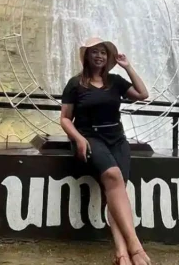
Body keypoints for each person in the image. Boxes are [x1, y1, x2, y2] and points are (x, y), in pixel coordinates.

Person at [60, 37, 152, 265]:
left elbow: (143, 94)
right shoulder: (75, 84)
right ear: (87, 57)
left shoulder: (116, 82)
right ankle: (136, 246)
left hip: (117, 139)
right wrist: (79, 139)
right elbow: (64, 119)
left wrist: (127, 66)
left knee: (116, 192)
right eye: (94, 52)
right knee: (113, 177)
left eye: (102, 52)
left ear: (108, 56)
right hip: (89, 137)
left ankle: (121, 255)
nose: (99, 56)